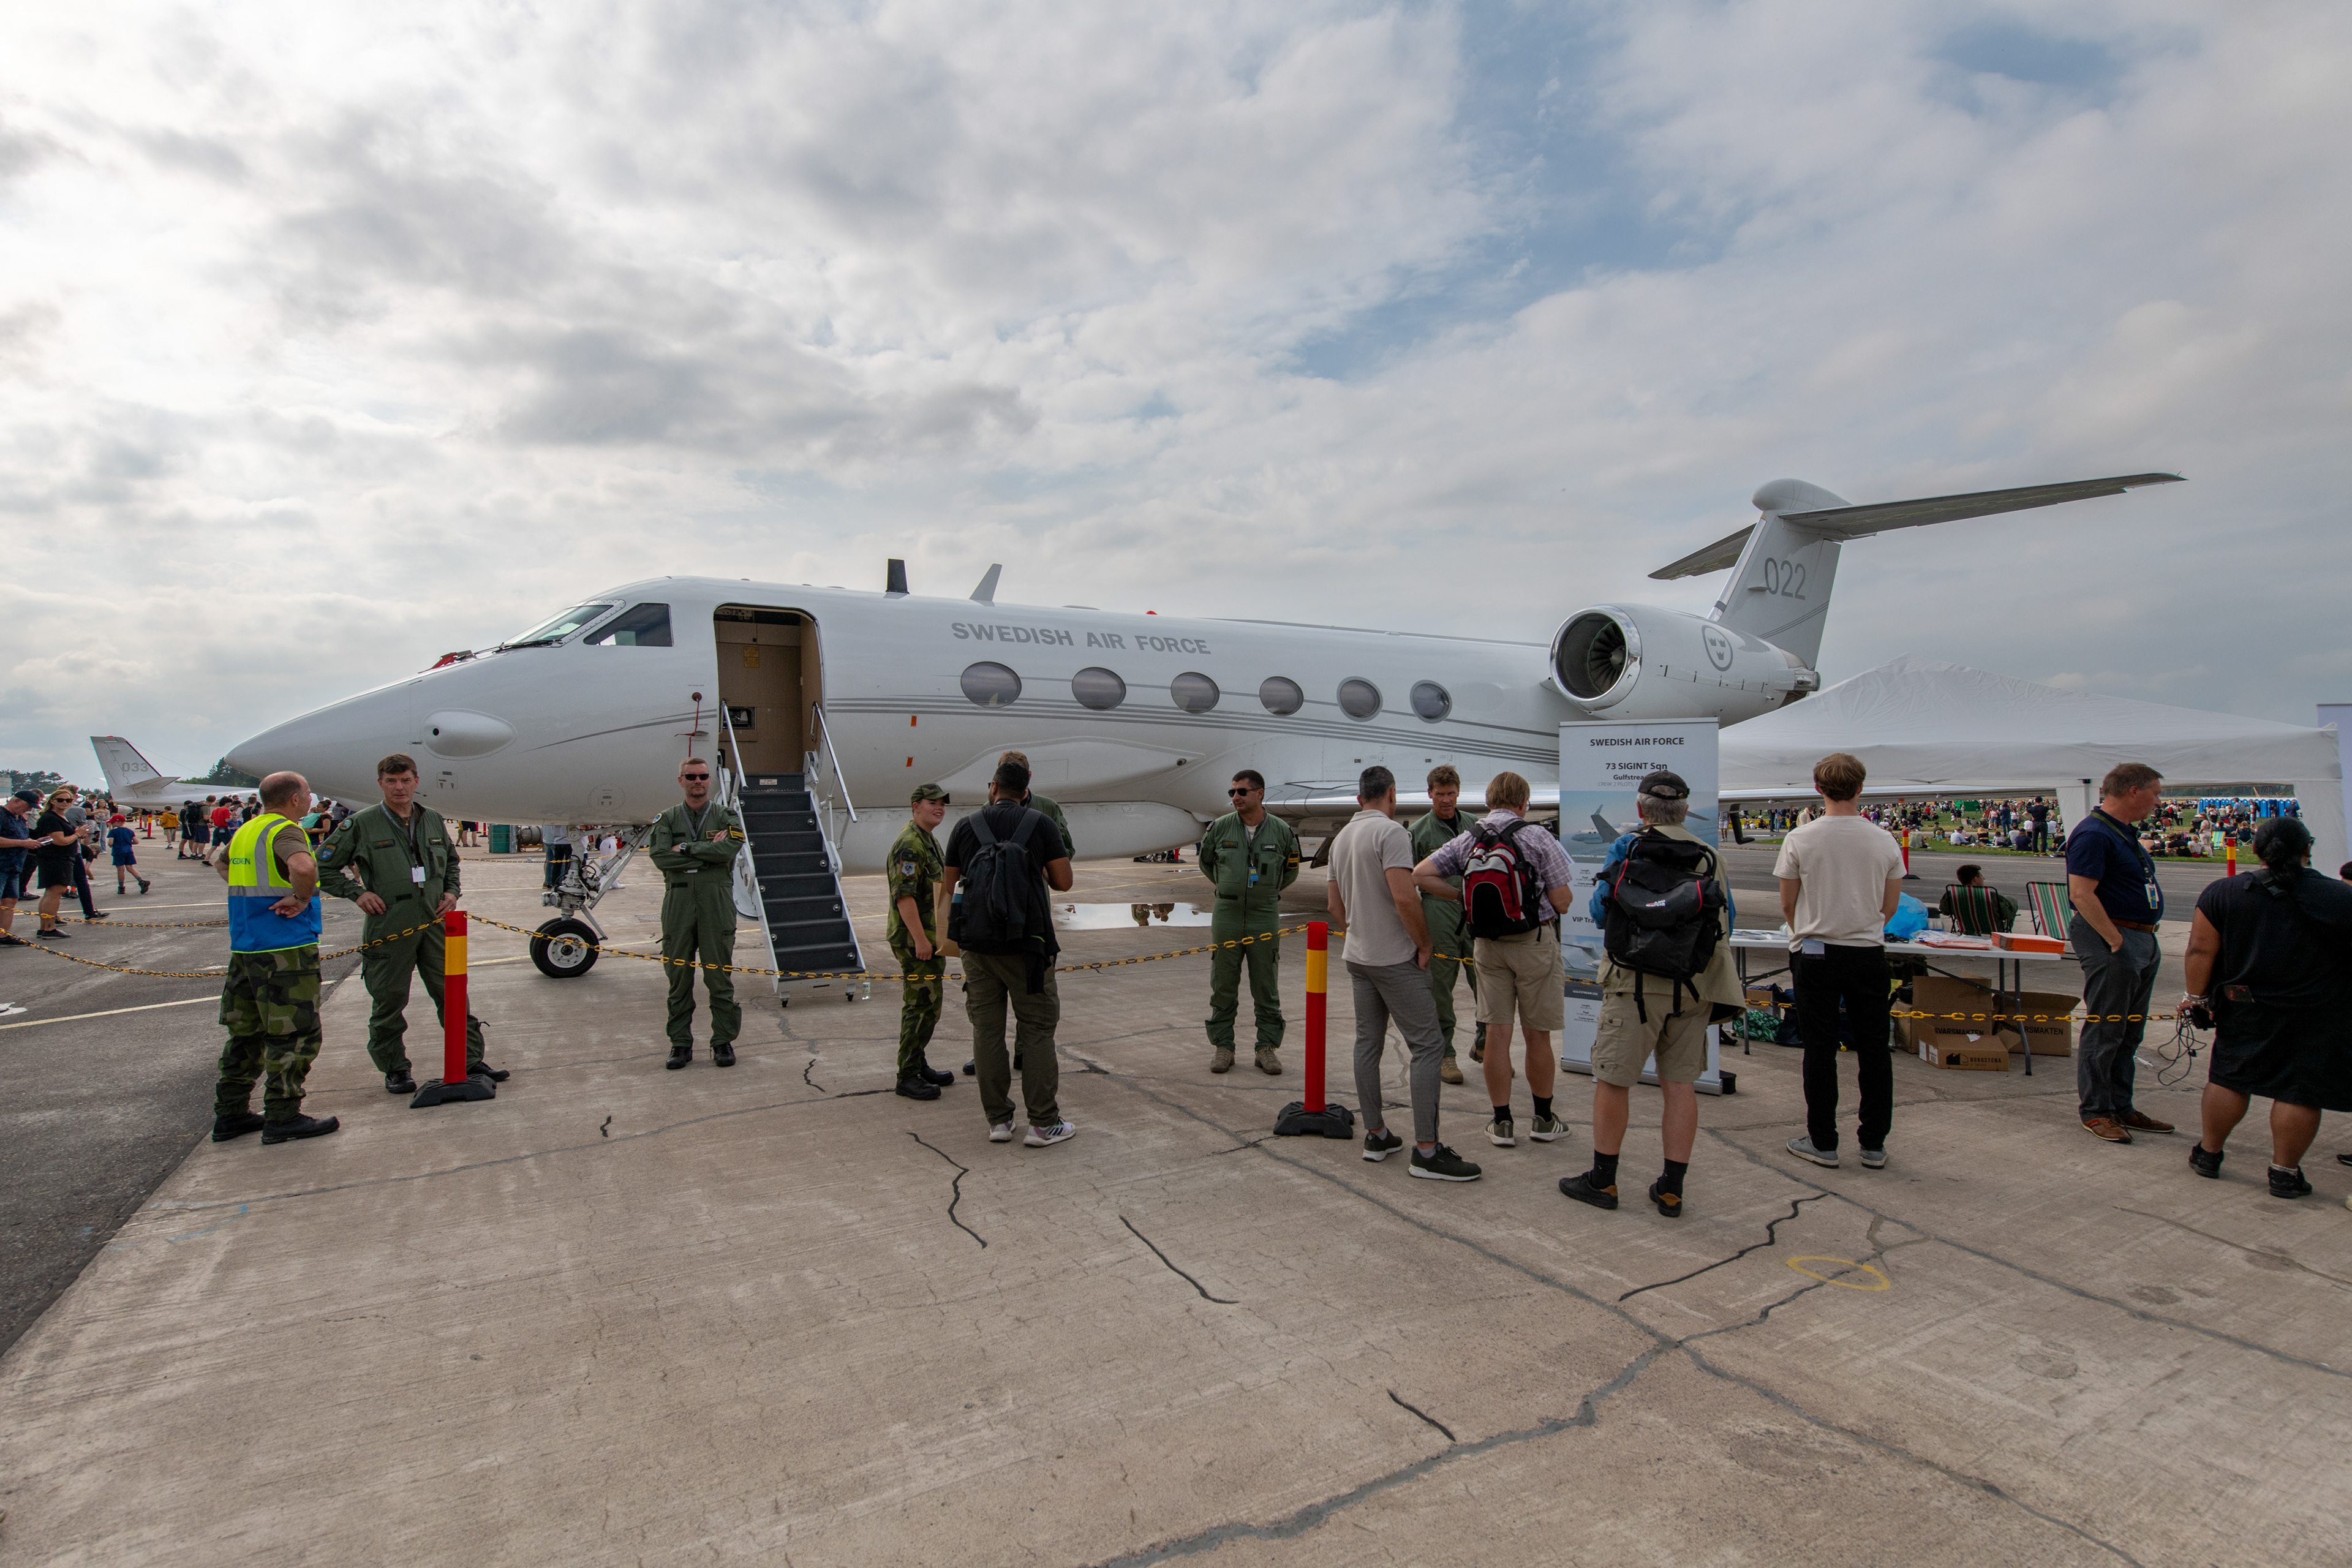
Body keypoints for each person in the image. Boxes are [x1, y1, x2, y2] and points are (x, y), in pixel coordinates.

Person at [1560, 770, 1741, 1215]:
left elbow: (1602, 912)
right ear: (1683, 810)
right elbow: (1727, 920)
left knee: (1614, 1081)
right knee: (1680, 1086)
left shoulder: (1628, 847)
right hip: (1692, 987)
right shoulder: (1710, 857)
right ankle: (1672, 1189)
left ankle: (1603, 1181)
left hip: (1633, 986)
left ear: (1641, 810)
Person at [2181, 817, 2352, 1199]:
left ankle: (2209, 1155)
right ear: (2307, 848)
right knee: (2299, 1091)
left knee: (2230, 1077)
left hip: (2243, 1004)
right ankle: (2284, 1173)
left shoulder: (2223, 892)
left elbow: (2200, 949)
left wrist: (2196, 999)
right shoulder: (2342, 897)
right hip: (2318, 1011)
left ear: (2256, 849)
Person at [317, 753, 502, 1095]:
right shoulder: (361, 823)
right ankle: (395, 1068)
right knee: (389, 1001)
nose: (399, 788)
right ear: (381, 784)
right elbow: (323, 868)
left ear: (417, 781)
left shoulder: (432, 819)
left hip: (434, 923)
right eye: (391, 781)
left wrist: (451, 891)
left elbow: (451, 863)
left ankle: (470, 1059)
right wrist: (356, 893)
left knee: (453, 994)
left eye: (405, 780)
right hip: (390, 923)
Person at [1412, 770, 1576, 1150]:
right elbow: (1564, 901)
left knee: (1498, 1036)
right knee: (1538, 1036)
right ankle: (1544, 1119)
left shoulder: (1470, 838)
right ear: (1524, 803)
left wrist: (1462, 900)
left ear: (1488, 801)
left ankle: (1502, 1123)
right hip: (1534, 944)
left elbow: (1422, 875)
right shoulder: (1538, 836)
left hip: (1487, 946)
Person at [1335, 766, 1480, 1182]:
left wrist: (1360, 930)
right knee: (1429, 1046)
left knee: (1368, 1045)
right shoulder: (1394, 833)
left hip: (1358, 956)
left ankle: (1377, 1135)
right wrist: (1424, 944)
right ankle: (1428, 1152)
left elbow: (1335, 904)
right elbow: (1405, 895)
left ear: (1361, 797)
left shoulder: (1344, 836)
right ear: (1392, 794)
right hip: (1394, 960)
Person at [1775, 752, 1905, 1169]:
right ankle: (1873, 1142)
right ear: (1861, 788)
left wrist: (1809, 929)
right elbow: (1889, 907)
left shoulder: (1802, 838)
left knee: (1819, 1048)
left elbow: (1788, 903)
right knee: (1873, 1049)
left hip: (1816, 951)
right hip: (1867, 952)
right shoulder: (1883, 840)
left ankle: (1823, 1140)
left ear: (1818, 789)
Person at [941, 759, 1076, 1147]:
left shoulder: (967, 826)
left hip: (978, 946)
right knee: (1036, 1030)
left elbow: (951, 885)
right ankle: (1043, 1124)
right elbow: (1064, 883)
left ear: (993, 787)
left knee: (987, 1032)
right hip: (1028, 946)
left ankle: (999, 1122)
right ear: (1027, 788)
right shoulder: (1042, 824)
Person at [209, 770, 337, 1144]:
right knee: (294, 1033)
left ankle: (230, 1113)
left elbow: (221, 862)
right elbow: (303, 866)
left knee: (245, 1033)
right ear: (295, 799)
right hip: (284, 949)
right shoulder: (286, 830)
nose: (312, 799)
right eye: (309, 793)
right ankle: (283, 1116)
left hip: (246, 945)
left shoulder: (248, 830)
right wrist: (299, 898)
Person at [2067, 762, 2174, 1144]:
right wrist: (2115, 940)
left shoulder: (2122, 833)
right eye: (2156, 792)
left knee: (2129, 1030)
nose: (2159, 800)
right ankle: (2097, 1111)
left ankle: (2120, 1105)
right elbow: (2080, 893)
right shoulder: (2095, 834)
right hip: (2116, 938)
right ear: (2133, 790)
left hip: (2139, 938)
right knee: (2107, 1028)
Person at [1196, 768, 1301, 1075]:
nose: (1236, 797)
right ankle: (1223, 1047)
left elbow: (1291, 869)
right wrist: (1228, 887)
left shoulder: (1281, 831)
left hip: (1264, 915)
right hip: (1227, 915)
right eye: (1232, 792)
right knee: (1223, 985)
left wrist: (1266, 893)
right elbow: (1207, 863)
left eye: (1242, 791)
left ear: (1260, 794)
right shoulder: (1220, 828)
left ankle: (1266, 1048)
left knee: (1266, 986)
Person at [649, 759, 745, 1068]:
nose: (698, 782)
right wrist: (707, 854)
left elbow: (730, 849)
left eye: (703, 776)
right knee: (678, 979)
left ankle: (723, 1042)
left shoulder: (726, 816)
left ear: (710, 781)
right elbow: (661, 857)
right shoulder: (666, 818)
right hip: (678, 904)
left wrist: (687, 849)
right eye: (691, 777)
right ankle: (680, 1044)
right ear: (681, 781)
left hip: (715, 903)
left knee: (719, 977)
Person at [1406, 764, 1483, 1085]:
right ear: (1430, 794)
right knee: (1441, 987)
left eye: (1451, 794)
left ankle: (1486, 1045)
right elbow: (1409, 880)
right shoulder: (1419, 832)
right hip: (1439, 911)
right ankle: (1446, 1054)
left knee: (1487, 982)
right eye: (1440, 794)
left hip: (1475, 912)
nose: (1446, 800)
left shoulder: (1475, 826)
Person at [888, 783, 957, 1100]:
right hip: (916, 940)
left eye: (943, 804)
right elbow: (904, 897)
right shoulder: (910, 845)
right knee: (921, 1007)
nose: (940, 808)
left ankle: (918, 1062)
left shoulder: (928, 840)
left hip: (929, 936)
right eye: (933, 803)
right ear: (916, 806)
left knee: (929, 1005)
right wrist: (920, 941)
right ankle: (907, 1075)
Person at [28, 789, 84, 940]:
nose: (65, 803)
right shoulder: (51, 818)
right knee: (55, 893)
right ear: (52, 801)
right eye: (60, 800)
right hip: (56, 859)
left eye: (68, 800)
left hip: (58, 858)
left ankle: (45, 927)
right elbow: (59, 841)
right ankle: (49, 928)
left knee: (52, 893)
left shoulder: (58, 817)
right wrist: (77, 834)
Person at [0, 788, 42, 946]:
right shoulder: (2, 814)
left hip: (14, 866)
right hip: (2, 865)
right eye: (28, 805)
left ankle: (3, 935)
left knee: (10, 900)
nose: (30, 810)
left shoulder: (19, 818)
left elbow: (22, 836)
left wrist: (35, 841)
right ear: (16, 801)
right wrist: (23, 843)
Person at [1937, 864, 2017, 933]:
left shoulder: (1952, 895)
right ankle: (2006, 933)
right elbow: (2007, 915)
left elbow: (1945, 911)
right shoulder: (1991, 897)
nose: (1984, 879)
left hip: (1966, 927)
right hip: (1993, 929)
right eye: (1981, 876)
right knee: (2012, 900)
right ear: (1976, 879)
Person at [108, 813, 149, 895]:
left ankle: (121, 887)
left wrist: (111, 845)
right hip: (129, 850)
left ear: (118, 822)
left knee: (120, 869)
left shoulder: (113, 832)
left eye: (113, 822)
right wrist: (128, 843)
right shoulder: (130, 831)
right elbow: (136, 842)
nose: (111, 824)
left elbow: (111, 842)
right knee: (130, 868)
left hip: (118, 851)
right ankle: (141, 881)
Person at [542, 821, 573, 898]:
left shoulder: (553, 821)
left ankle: (552, 882)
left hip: (555, 841)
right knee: (565, 863)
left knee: (554, 863)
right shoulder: (566, 820)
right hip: (566, 842)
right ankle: (564, 881)